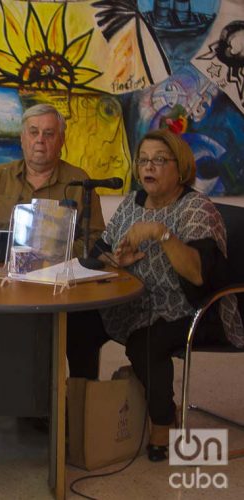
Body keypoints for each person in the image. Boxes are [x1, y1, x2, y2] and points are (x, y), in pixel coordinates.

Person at [67, 129, 244, 461]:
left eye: (159, 160)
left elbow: (199, 275)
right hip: (133, 302)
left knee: (145, 342)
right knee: (79, 321)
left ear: (181, 167)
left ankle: (163, 420)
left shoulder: (195, 208)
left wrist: (161, 233)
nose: (149, 167)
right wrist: (115, 261)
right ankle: (84, 404)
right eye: (144, 160)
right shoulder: (132, 202)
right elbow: (101, 252)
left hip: (192, 309)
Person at [0, 104, 105, 256]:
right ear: (22, 138)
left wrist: (54, 254)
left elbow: (95, 238)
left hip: (57, 275)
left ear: (61, 140)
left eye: (49, 133)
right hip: (3, 272)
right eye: (33, 132)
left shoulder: (79, 180)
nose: (40, 140)